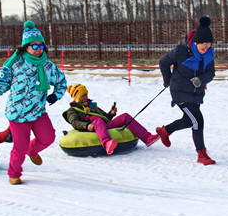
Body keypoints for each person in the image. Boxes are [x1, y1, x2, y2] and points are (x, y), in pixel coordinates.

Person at [0, 20, 67, 185]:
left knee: (48, 137)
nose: (39, 50)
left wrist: (55, 95)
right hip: (17, 113)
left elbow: (61, 82)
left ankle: (33, 150)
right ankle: (14, 173)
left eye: (41, 46)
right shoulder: (16, 64)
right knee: (20, 147)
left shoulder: (47, 66)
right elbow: (3, 82)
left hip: (38, 111)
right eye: (34, 46)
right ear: (26, 47)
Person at [156, 16, 216, 165]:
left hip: (196, 93)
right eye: (203, 47)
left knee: (189, 120)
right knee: (197, 121)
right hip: (179, 91)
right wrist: (167, 80)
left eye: (209, 47)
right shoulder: (181, 51)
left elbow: (211, 72)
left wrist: (201, 80)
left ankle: (166, 131)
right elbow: (163, 62)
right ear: (196, 43)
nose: (205, 50)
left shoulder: (208, 54)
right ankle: (201, 154)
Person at [63, 83, 160, 155]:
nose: (85, 97)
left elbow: (104, 117)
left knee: (125, 116)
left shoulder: (92, 105)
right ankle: (106, 144)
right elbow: (74, 122)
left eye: (85, 95)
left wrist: (111, 113)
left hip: (102, 125)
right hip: (91, 128)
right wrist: (86, 126)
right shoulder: (72, 110)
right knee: (97, 120)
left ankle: (147, 138)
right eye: (82, 96)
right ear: (76, 97)